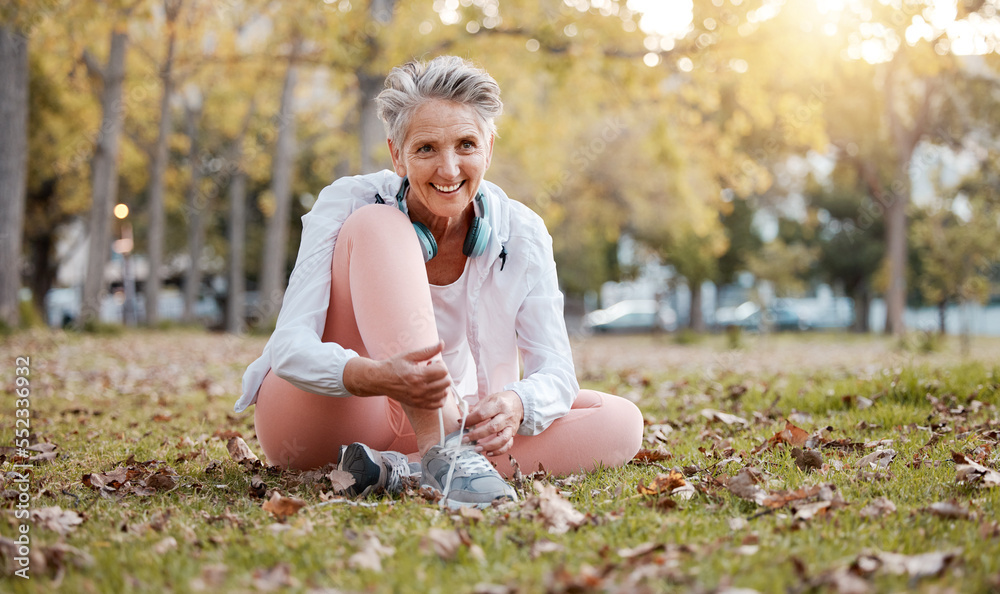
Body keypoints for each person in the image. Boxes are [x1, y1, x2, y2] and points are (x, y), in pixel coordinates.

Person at [235, 56, 644, 508]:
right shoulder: (348, 202)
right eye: (427, 149)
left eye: (466, 145)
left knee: (620, 420)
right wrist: (373, 376)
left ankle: (396, 471)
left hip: (430, 419)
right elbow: (290, 345)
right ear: (397, 154)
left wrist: (517, 403)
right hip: (321, 414)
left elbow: (557, 372)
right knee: (379, 224)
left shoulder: (523, 233)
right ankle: (440, 451)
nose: (449, 169)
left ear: (489, 147)